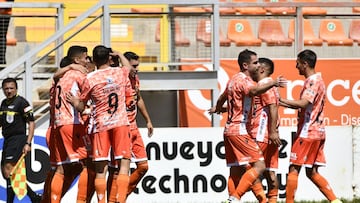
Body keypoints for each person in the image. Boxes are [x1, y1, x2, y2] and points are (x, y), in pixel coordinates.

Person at [210, 49, 286, 203]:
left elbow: (222, 98)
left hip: (229, 129)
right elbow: (254, 91)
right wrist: (274, 82)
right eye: (255, 62)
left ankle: (233, 199)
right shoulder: (248, 81)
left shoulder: (232, 80)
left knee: (235, 170)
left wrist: (218, 108)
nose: (258, 65)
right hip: (241, 129)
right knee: (259, 165)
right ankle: (235, 198)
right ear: (245, 65)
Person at [70, 45, 132, 203]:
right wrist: (119, 54)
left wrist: (75, 102)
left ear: (94, 60)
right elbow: (129, 68)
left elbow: (82, 106)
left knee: (100, 169)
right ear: (109, 58)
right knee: (124, 164)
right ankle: (122, 199)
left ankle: (101, 200)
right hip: (120, 123)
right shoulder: (119, 72)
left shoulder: (90, 78)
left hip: (101, 125)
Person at [279, 49, 342, 203]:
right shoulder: (317, 80)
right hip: (318, 132)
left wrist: (280, 101)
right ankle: (335, 201)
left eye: (298, 63)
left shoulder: (313, 81)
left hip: (308, 131)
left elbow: (303, 103)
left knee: (293, 169)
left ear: (305, 64)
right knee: (312, 172)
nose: (296, 66)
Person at [0, 77, 42, 203]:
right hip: (7, 139)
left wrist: (28, 143)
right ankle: (34, 197)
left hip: (18, 139)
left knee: (9, 169)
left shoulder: (22, 102)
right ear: (2, 89)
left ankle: (11, 201)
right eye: (6, 88)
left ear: (16, 89)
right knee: (6, 172)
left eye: (11, 88)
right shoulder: (3, 103)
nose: (9, 91)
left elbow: (32, 123)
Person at [247, 57, 281, 203]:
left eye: (256, 65)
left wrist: (272, 131)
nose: (253, 68)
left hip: (262, 133)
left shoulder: (265, 83)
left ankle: (263, 201)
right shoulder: (267, 85)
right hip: (269, 133)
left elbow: (272, 107)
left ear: (261, 69)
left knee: (249, 169)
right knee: (269, 173)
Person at [124, 51, 153, 198]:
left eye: (137, 65)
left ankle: (121, 197)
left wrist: (148, 120)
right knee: (118, 170)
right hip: (121, 129)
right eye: (134, 66)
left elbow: (139, 98)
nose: (137, 69)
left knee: (143, 166)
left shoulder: (135, 79)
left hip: (134, 127)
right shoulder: (119, 80)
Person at [0, 0, 13, 64]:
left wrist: (4, 7)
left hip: (4, 12)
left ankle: (1, 61)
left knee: (1, 36)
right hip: (4, 10)